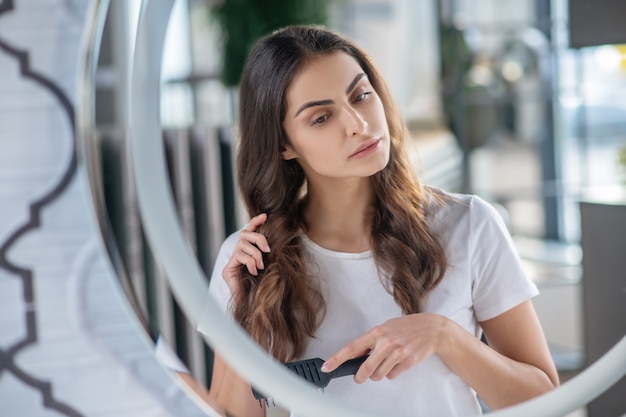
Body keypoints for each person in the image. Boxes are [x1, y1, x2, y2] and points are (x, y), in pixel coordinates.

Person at [202, 24, 559, 417]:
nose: (358, 123)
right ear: (283, 144)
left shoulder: (469, 225)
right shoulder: (249, 259)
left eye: (361, 95)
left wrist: (445, 337)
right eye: (321, 117)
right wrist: (244, 312)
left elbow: (545, 403)